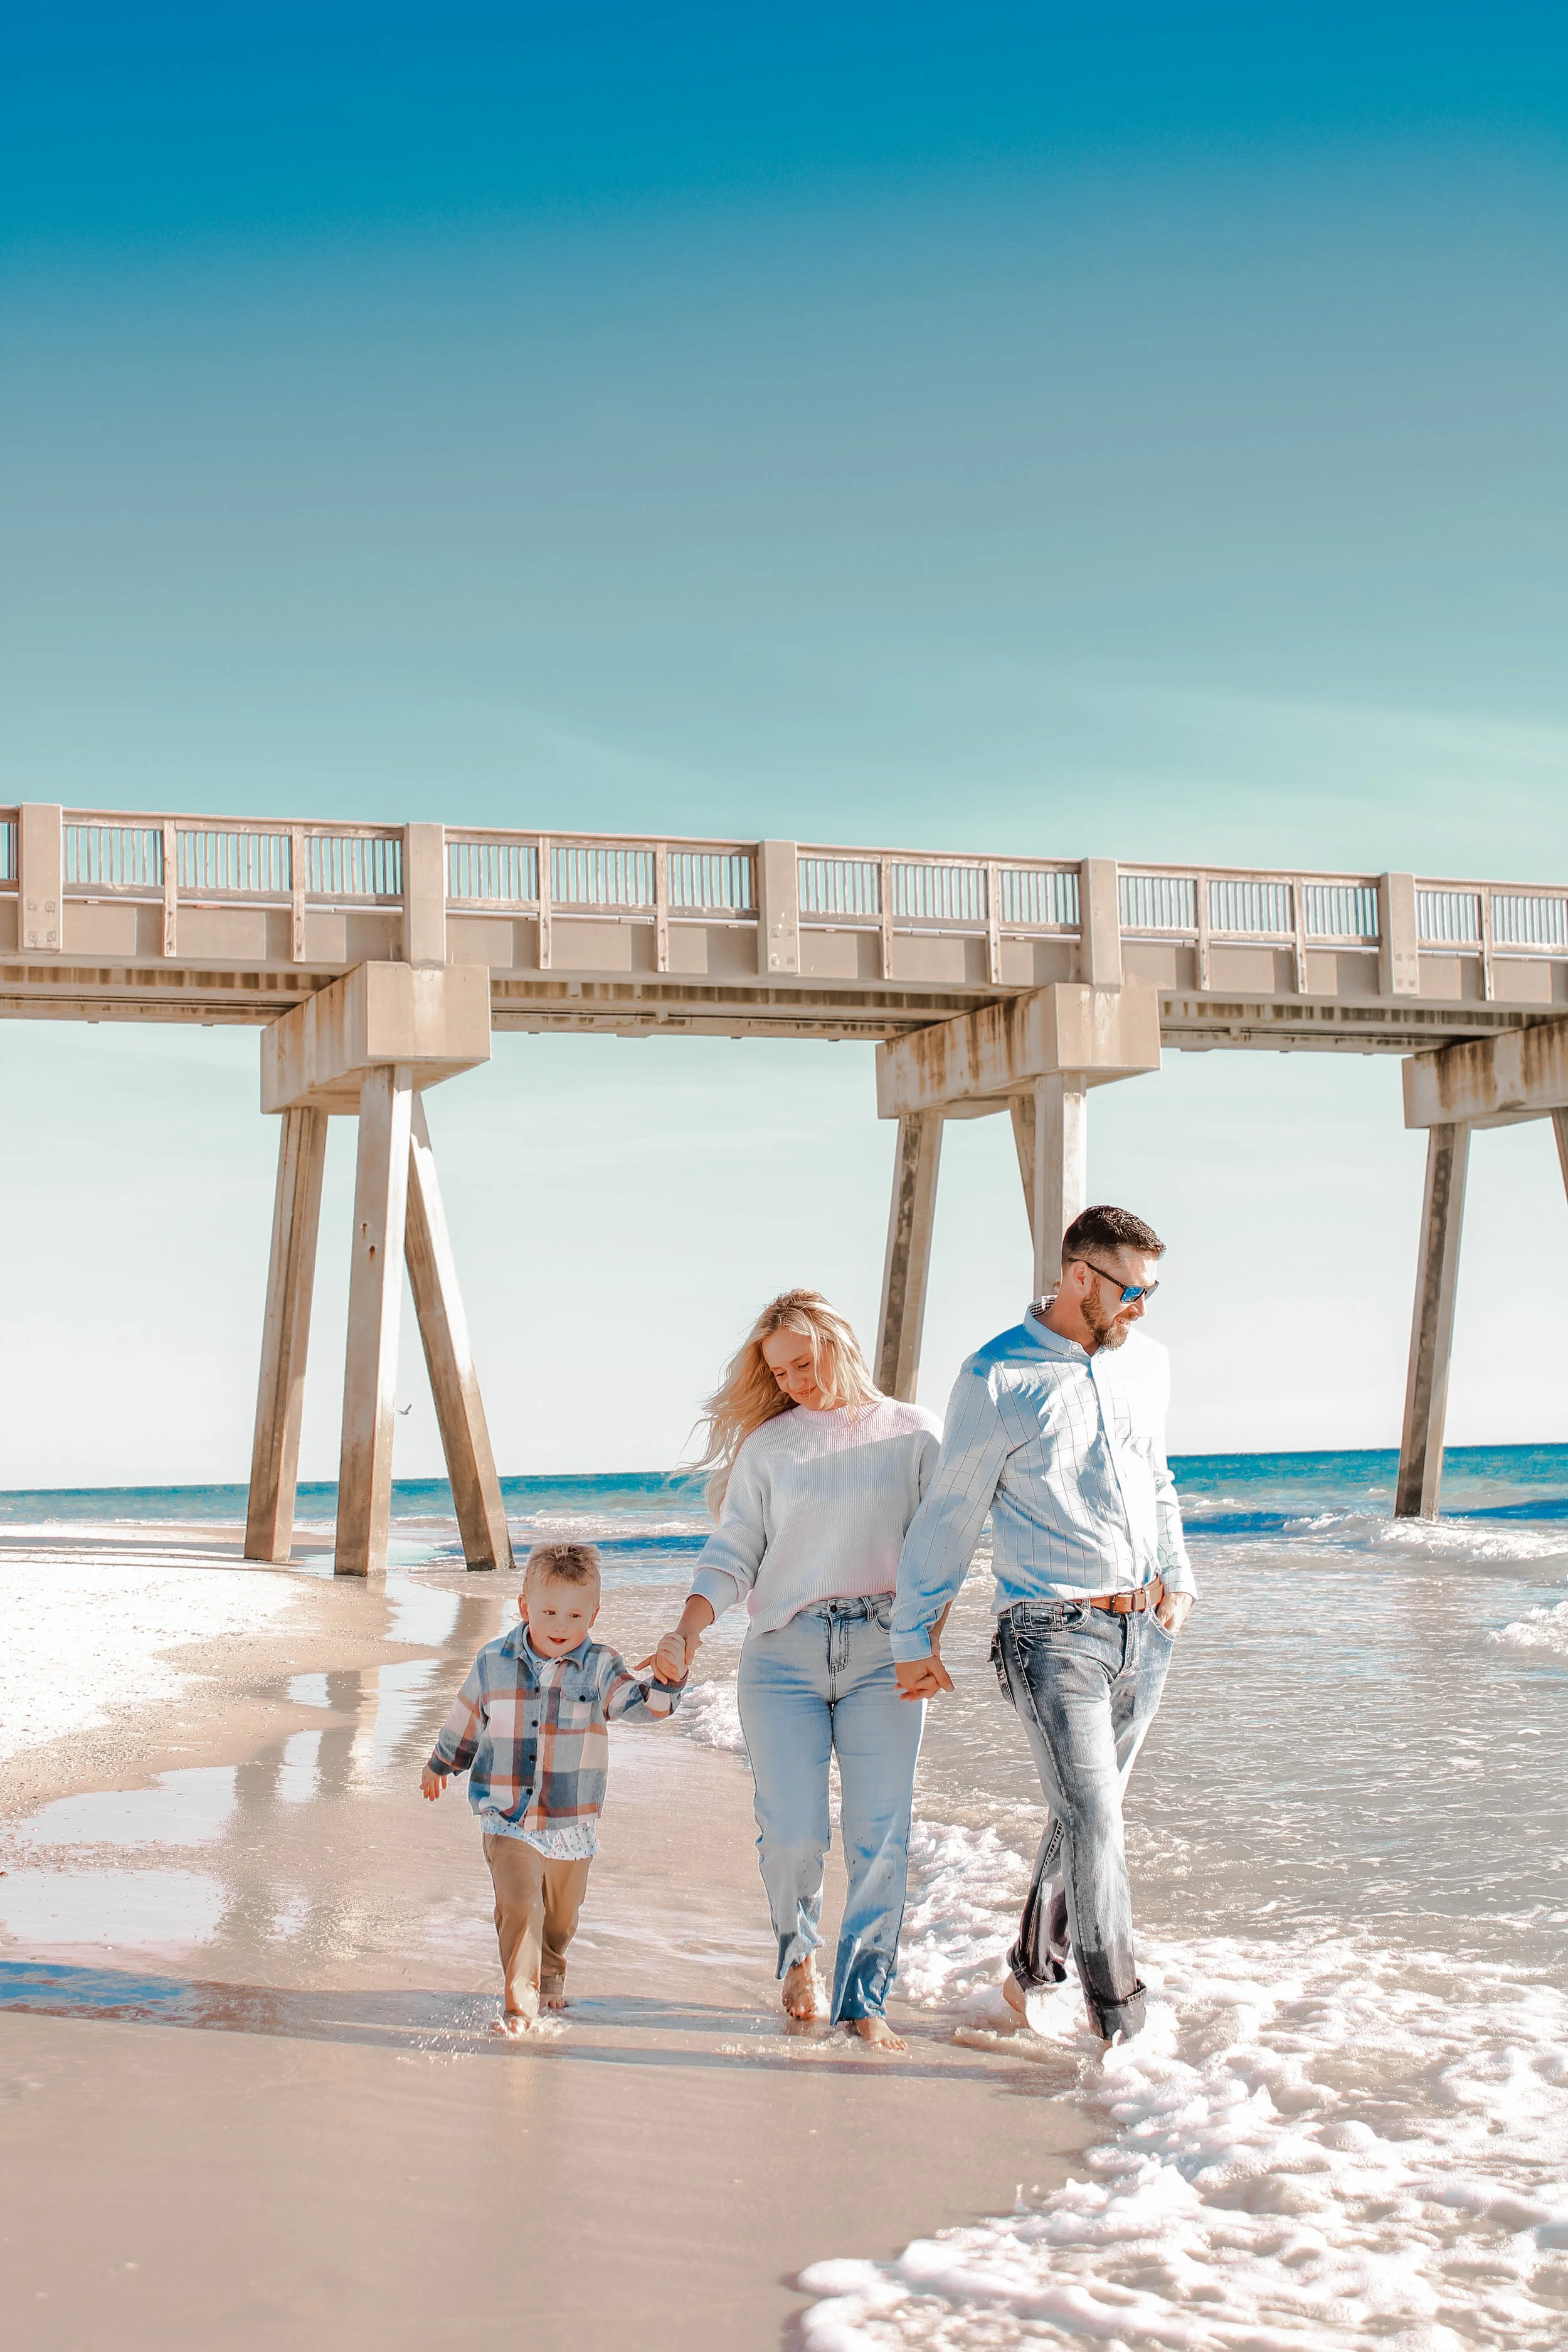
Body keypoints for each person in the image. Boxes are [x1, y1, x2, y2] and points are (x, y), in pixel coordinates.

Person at [891, 1205, 1195, 2047]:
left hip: (1144, 1628)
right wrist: (912, 1634)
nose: (1143, 1308)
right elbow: (951, 1511)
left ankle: (1031, 1973)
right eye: (1133, 1290)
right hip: (1050, 1632)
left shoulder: (1150, 1364)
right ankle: (1121, 2019)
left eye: (1153, 1291)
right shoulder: (996, 1378)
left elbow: (1157, 1477)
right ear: (1080, 1277)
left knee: (1082, 1816)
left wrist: (1180, 1577)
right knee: (1097, 1820)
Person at [650, 1290, 942, 2051]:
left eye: (804, 1364)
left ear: (837, 1346)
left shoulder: (913, 1433)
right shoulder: (771, 1447)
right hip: (782, 1655)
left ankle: (864, 2001)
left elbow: (940, 1551)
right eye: (780, 1373)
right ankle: (798, 1958)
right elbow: (735, 1548)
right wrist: (687, 1630)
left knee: (881, 1835)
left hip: (885, 1652)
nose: (794, 1383)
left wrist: (924, 1641)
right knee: (792, 1835)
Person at [421, 1540, 685, 2035]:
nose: (561, 1626)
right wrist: (441, 1764)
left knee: (560, 1917)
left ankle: (552, 1969)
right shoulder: (492, 1661)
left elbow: (641, 1705)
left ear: (594, 1615)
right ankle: (519, 2002)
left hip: (571, 1816)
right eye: (548, 1612)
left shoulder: (601, 1665)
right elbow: (467, 1720)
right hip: (508, 1813)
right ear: (524, 1608)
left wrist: (668, 1683)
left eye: (575, 1615)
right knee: (520, 1904)